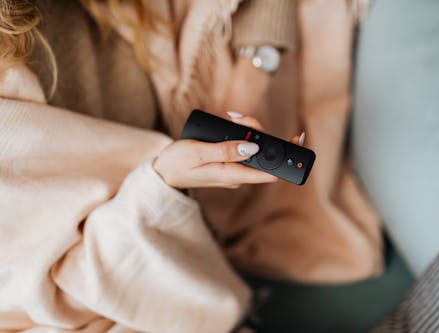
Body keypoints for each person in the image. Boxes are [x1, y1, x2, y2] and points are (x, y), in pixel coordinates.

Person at [0, 0, 381, 332]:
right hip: (110, 303)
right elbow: (44, 291)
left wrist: (256, 63)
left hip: (196, 202)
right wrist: (161, 184)